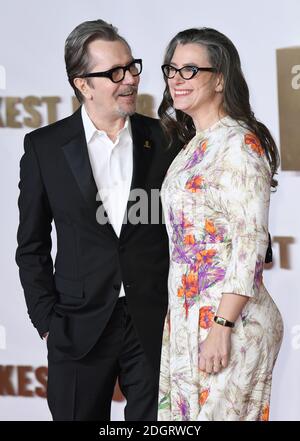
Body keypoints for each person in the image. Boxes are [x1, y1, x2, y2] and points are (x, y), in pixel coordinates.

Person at [16, 19, 178, 421]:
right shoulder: (45, 148)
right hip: (77, 327)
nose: (130, 80)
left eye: (132, 67)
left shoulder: (165, 139)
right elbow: (31, 246)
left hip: (153, 324)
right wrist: (48, 323)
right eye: (114, 73)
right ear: (82, 84)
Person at [157, 27, 283, 421]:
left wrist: (222, 325)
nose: (176, 79)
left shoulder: (240, 144)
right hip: (187, 318)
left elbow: (249, 243)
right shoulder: (194, 142)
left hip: (229, 323)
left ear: (220, 79)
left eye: (190, 69)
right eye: (172, 69)